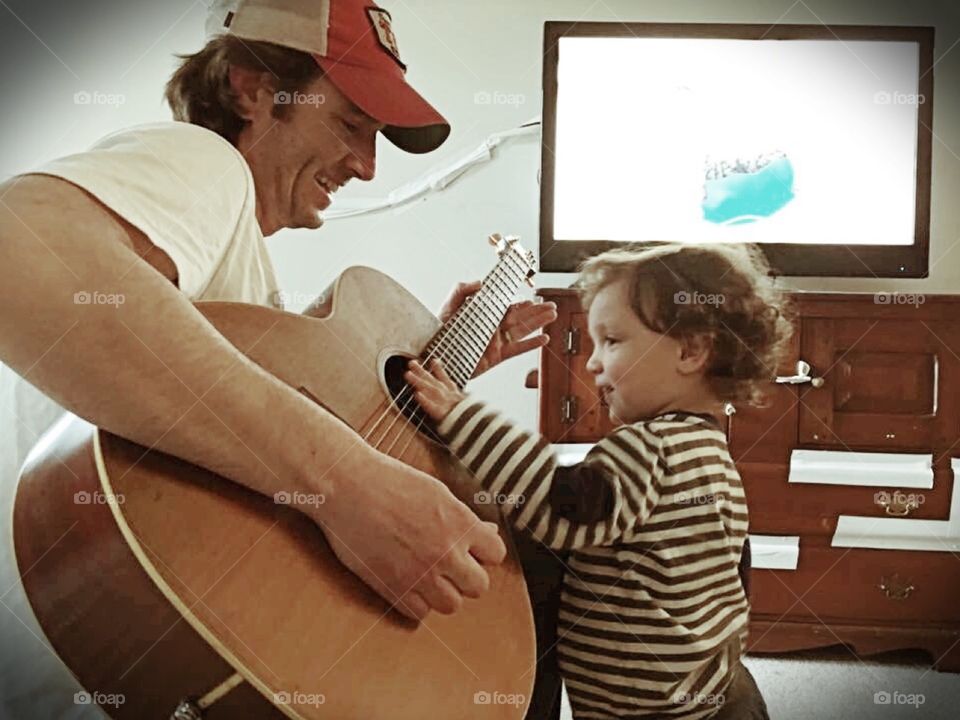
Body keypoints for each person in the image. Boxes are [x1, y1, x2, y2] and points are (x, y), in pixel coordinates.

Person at [0, 0, 556, 716]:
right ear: (253, 90)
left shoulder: (236, 280)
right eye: (350, 125)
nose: (368, 166)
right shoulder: (207, 164)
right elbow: (19, 249)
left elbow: (238, 416)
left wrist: (436, 368)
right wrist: (349, 485)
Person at [405, 242, 792, 719]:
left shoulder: (648, 449)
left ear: (690, 351)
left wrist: (463, 417)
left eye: (611, 341)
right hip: (710, 692)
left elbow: (558, 507)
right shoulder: (709, 447)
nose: (592, 363)